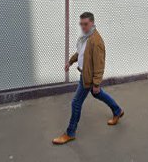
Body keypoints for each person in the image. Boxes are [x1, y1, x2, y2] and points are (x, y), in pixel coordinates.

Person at [52, 12, 124, 145]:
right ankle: (117, 110)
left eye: (85, 24)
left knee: (76, 103)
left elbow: (99, 64)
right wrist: (71, 61)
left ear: (92, 23)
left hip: (88, 78)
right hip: (85, 74)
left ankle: (70, 133)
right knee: (98, 95)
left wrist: (96, 83)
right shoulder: (87, 37)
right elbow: (81, 53)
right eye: (81, 24)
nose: (83, 27)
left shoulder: (96, 41)